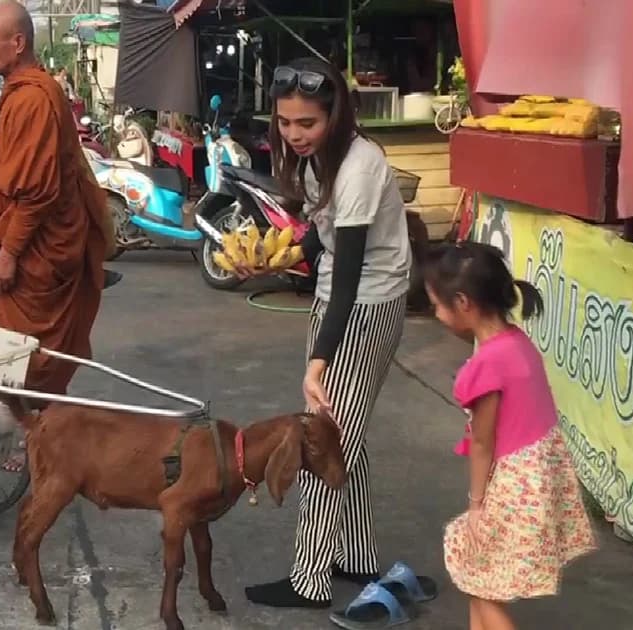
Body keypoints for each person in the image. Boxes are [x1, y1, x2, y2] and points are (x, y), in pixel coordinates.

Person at [242, 57, 412, 608]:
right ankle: (356, 557)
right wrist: (275, 262)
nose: (294, 135)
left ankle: (310, 579)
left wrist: (318, 359)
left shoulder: (359, 167)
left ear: (334, 116)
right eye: (286, 123)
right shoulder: (317, 162)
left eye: (306, 124)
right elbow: (322, 242)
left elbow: (352, 273)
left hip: (363, 308)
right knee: (346, 434)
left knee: (319, 440)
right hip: (342, 301)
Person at [0, 0, 114, 472]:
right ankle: (40, 437)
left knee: (21, 347)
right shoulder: (27, 89)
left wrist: (9, 252)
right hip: (41, 241)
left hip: (37, 248)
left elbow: (34, 191)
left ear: (18, 43)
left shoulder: (31, 96)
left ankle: (40, 440)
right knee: (26, 346)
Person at [423, 241, 596, 629]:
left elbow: (483, 443)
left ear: (463, 302)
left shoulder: (488, 364)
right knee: (477, 576)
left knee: (479, 581)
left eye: (437, 305)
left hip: (516, 483)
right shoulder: (517, 342)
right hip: (538, 478)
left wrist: (476, 505)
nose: (435, 314)